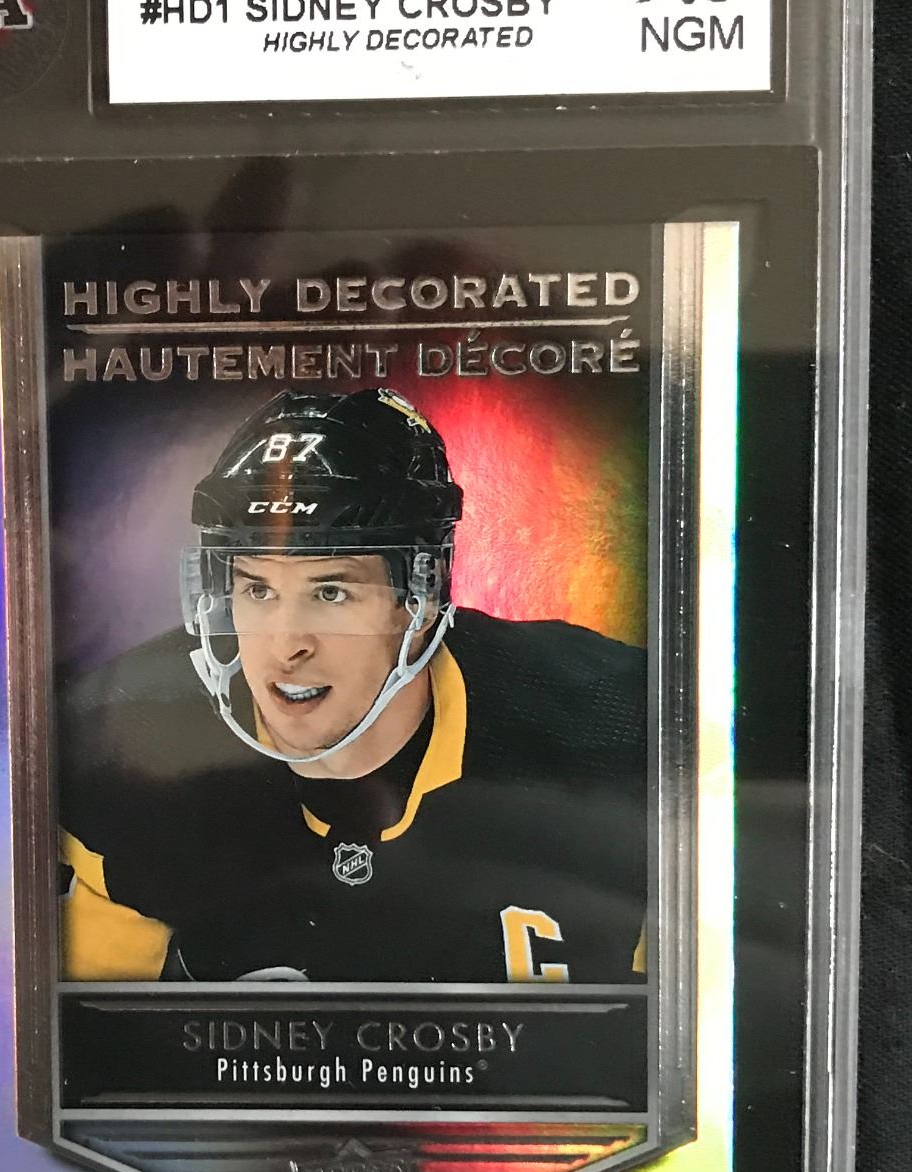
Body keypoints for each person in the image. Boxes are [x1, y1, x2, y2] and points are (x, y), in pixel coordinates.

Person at [57, 387, 648, 983]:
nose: (287, 644)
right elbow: (98, 1021)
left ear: (421, 596)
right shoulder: (122, 744)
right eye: (258, 589)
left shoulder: (611, 722)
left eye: (331, 592)